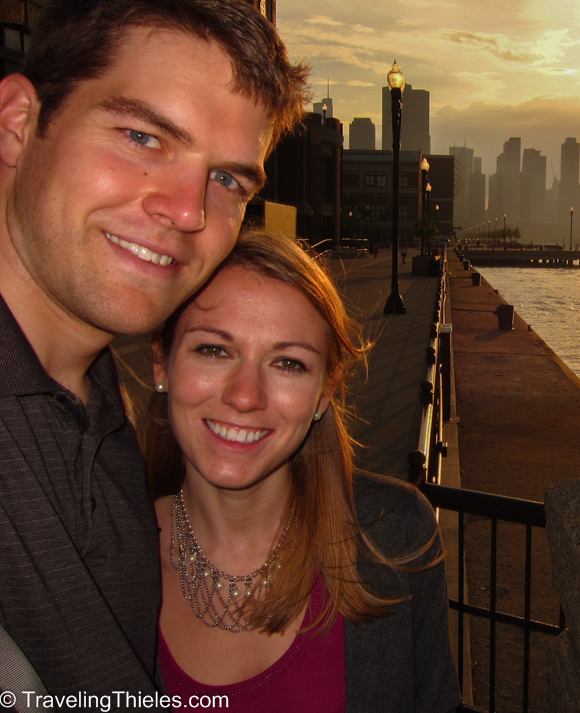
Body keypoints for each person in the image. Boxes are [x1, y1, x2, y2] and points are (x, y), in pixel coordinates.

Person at [0, 0, 308, 696]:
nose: (188, 212)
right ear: (17, 125)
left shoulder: (106, 417)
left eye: (227, 181)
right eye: (143, 136)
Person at [144, 228, 460, 711]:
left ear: (325, 391)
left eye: (288, 363)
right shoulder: (97, 557)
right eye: (213, 350)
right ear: (161, 362)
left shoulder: (393, 541)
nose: (245, 396)